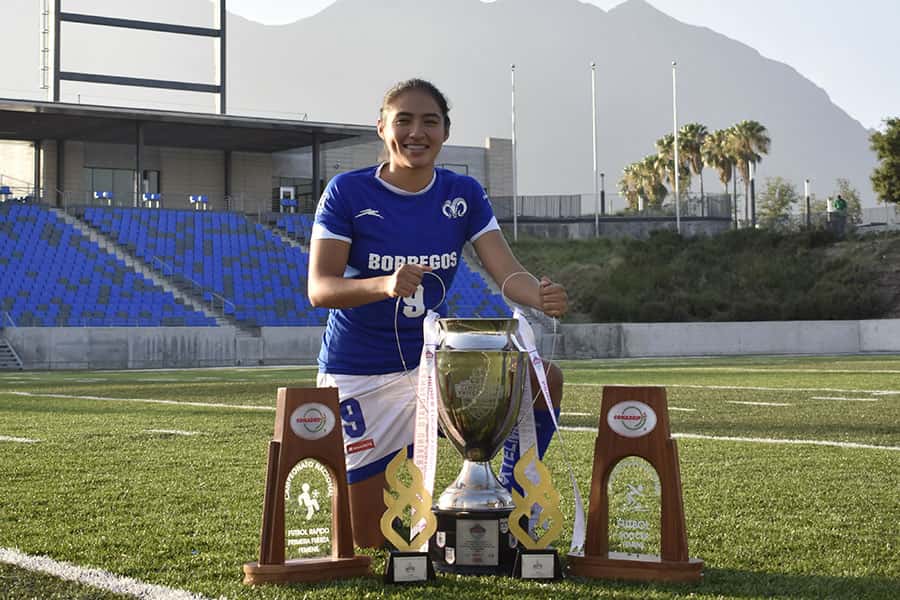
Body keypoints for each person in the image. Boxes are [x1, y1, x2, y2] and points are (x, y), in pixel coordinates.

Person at [307, 78, 567, 548]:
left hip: (434, 369)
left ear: (445, 132)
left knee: (542, 379)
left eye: (429, 121)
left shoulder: (463, 192)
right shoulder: (347, 192)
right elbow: (320, 288)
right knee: (372, 540)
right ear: (382, 128)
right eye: (403, 120)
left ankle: (503, 508)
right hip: (361, 373)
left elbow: (507, 274)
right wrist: (382, 284)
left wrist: (538, 294)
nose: (416, 132)